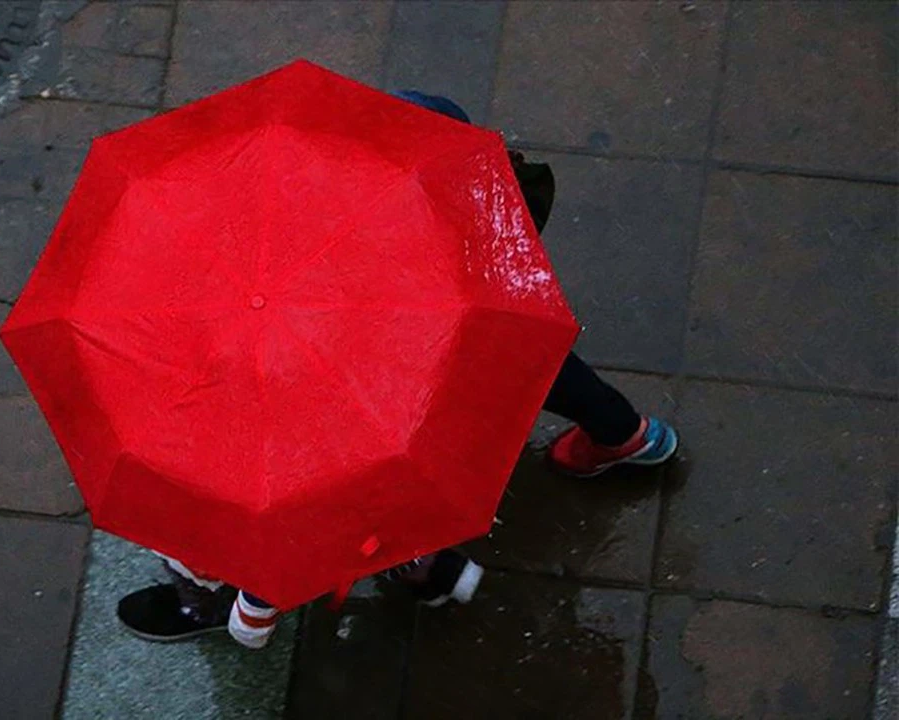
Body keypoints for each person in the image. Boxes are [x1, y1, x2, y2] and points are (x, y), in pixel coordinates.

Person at [116, 91, 681, 650]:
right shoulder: (366, 164)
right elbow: (437, 116)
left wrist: (256, 607)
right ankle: (627, 435)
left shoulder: (302, 394)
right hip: (460, 290)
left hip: (396, 395)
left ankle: (422, 568)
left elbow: (304, 518)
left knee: (368, 487)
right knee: (515, 352)